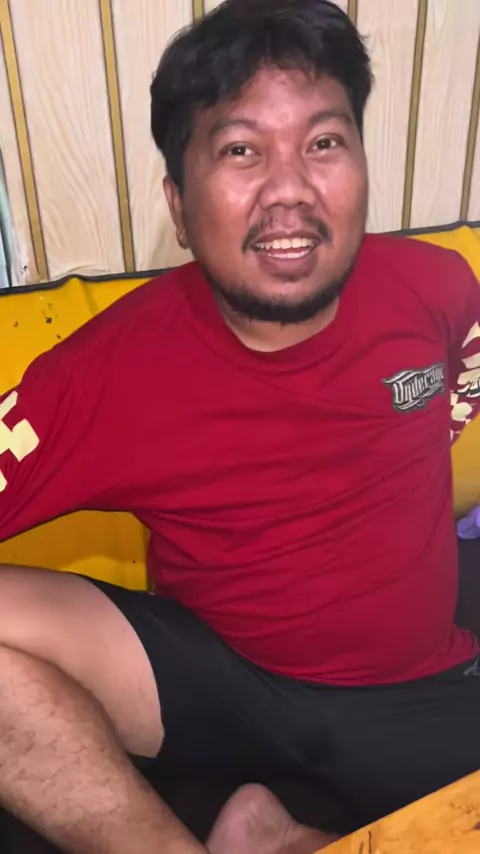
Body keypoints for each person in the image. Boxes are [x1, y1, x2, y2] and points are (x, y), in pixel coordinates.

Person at [1, 0, 480, 851]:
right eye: (240, 151)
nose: (290, 189)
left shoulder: (436, 288)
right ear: (179, 208)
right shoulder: (103, 372)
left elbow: (457, 378)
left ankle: (272, 832)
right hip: (217, 686)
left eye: (324, 143)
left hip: (419, 692)